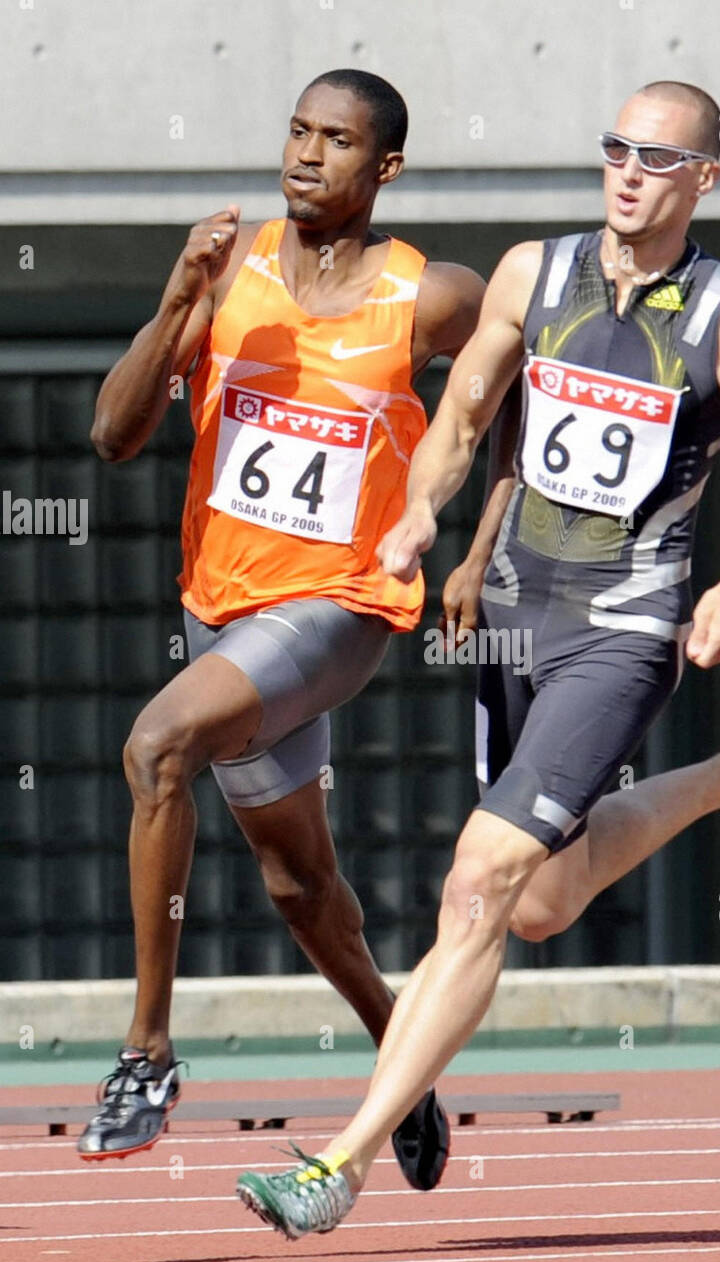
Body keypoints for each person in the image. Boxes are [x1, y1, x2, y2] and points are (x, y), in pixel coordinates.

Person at [234, 80, 720, 1239]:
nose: (626, 173)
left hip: (623, 629)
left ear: (701, 178)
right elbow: (466, 418)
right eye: (615, 148)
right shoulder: (532, 272)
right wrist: (425, 519)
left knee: (477, 884)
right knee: (543, 902)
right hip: (519, 613)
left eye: (656, 159)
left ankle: (341, 1163)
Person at [77, 69, 488, 1192]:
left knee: (158, 745)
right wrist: (175, 302)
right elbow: (112, 436)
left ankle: (147, 1053)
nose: (308, 156)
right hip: (226, 614)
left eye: (338, 140)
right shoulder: (232, 270)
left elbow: (516, 381)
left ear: (384, 167)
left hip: (340, 609)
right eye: (298, 132)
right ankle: (399, 1056)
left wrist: (480, 536)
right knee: (302, 888)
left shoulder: (429, 297)